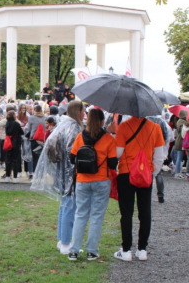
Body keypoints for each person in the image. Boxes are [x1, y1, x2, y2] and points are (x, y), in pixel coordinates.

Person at [114, 114, 165, 261]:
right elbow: (159, 156)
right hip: (145, 173)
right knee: (145, 211)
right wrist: (152, 172)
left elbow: (118, 152)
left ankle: (126, 250)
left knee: (126, 212)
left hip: (126, 172)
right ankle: (142, 249)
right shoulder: (155, 128)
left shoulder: (123, 127)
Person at [68, 109, 118, 261]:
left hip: (83, 180)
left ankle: (74, 250)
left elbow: (72, 158)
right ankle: (91, 250)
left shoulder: (79, 137)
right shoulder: (109, 139)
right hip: (101, 179)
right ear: (103, 122)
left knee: (80, 214)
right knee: (96, 215)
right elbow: (112, 163)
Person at [55, 101, 85, 255]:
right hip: (71, 172)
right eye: (83, 110)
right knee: (69, 206)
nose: (85, 113)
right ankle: (66, 242)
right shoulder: (73, 127)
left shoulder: (65, 124)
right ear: (78, 111)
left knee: (65, 205)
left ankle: (62, 239)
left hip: (64, 172)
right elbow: (72, 150)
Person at [24, 105, 47, 172]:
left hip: (34, 139)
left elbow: (28, 128)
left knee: (34, 157)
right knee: (42, 156)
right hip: (43, 139)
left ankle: (35, 172)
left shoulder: (31, 118)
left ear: (35, 110)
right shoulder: (46, 117)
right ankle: (42, 172)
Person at [4, 110, 24, 181]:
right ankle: (15, 177)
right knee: (15, 160)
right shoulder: (16, 124)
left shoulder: (7, 123)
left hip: (8, 142)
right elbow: (21, 132)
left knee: (8, 160)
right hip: (16, 142)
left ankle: (7, 176)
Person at [173, 109, 188, 179]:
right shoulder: (182, 122)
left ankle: (178, 172)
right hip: (181, 141)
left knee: (179, 157)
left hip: (178, 140)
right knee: (179, 157)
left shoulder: (179, 121)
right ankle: (177, 172)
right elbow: (183, 131)